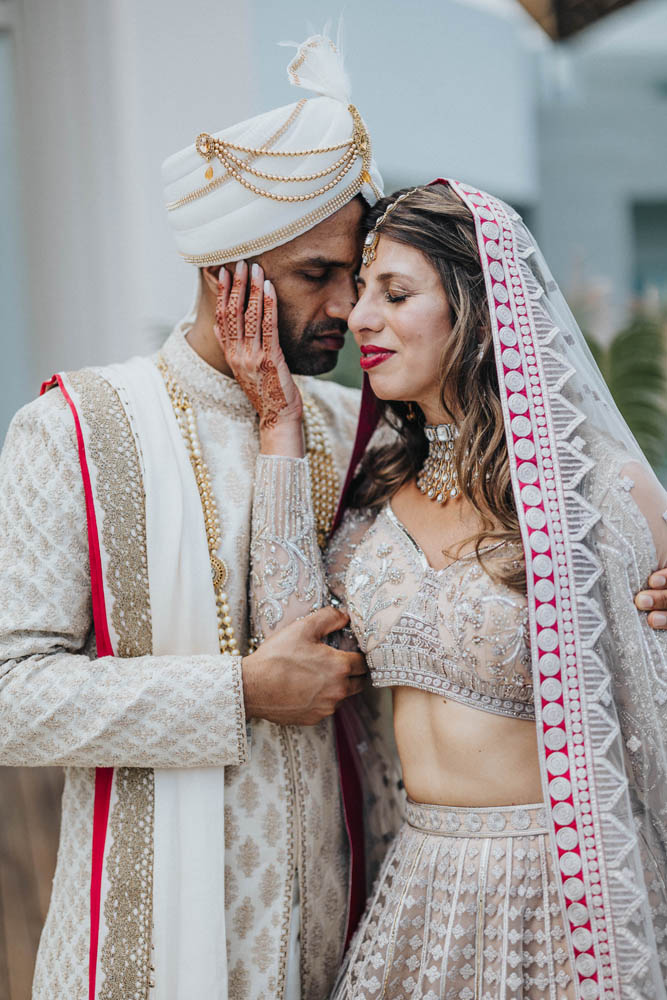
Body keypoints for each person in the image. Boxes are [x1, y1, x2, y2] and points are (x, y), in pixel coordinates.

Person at [0, 34, 401, 1000]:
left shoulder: (361, 429)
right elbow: (12, 696)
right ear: (227, 269)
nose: (346, 307)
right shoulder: (78, 426)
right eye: (316, 276)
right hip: (147, 939)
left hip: (349, 926)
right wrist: (241, 692)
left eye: (358, 274)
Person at [223, 181, 667, 999]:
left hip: (561, 891)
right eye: (362, 294)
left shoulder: (596, 493)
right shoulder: (374, 501)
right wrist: (279, 426)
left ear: (479, 308)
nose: (359, 320)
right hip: (418, 889)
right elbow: (292, 638)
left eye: (394, 294)